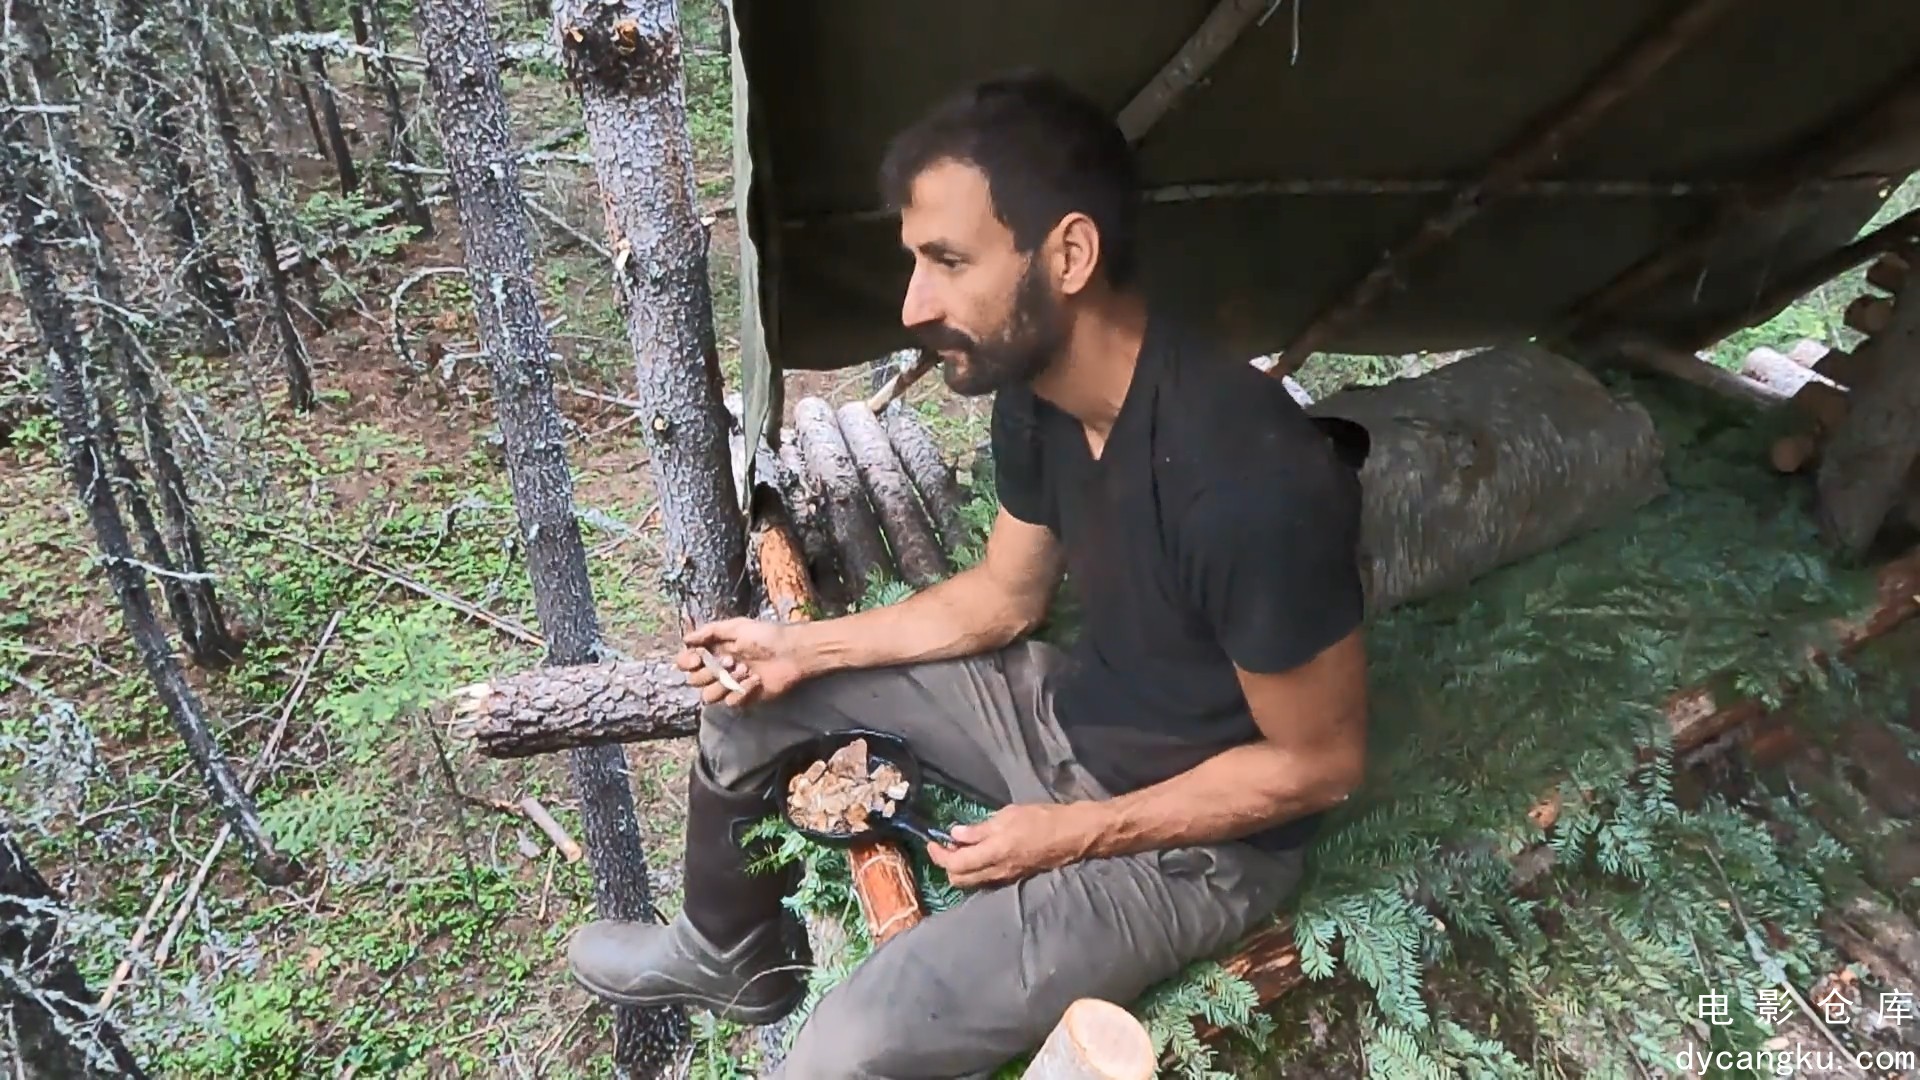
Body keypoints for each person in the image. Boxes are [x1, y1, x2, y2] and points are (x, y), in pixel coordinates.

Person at [565, 69, 1373, 1079]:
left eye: (947, 261)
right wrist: (799, 648)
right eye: (916, 262)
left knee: (844, 1054)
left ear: (1069, 254)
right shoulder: (1041, 390)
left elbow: (1319, 766)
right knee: (749, 699)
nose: (914, 305)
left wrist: (1073, 835)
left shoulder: (1249, 483)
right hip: (1063, 713)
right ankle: (728, 953)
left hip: (1195, 848)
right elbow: (1005, 595)